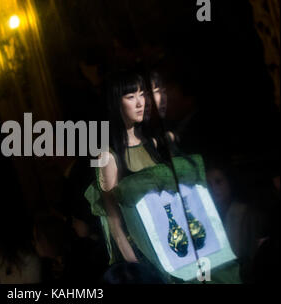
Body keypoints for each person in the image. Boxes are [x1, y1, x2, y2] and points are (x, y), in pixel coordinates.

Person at [84, 70, 241, 283]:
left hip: (176, 247)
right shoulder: (108, 155)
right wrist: (139, 269)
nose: (140, 102)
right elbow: (115, 224)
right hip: (144, 255)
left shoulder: (154, 143)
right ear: (116, 103)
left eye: (142, 94)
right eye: (131, 97)